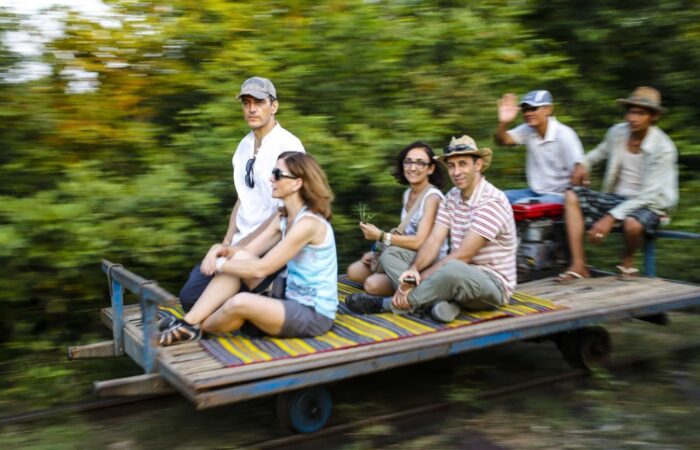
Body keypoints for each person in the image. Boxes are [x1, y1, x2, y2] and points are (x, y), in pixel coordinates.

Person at [160, 152, 338, 345]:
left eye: (277, 174)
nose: (271, 179)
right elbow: (246, 252)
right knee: (238, 259)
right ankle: (189, 323)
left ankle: (194, 327)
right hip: (288, 296)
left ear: (297, 183)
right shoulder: (284, 217)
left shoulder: (309, 224)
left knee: (240, 302)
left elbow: (261, 269)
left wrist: (218, 264)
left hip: (313, 314)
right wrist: (218, 250)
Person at [346, 135, 517, 323]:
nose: (456, 171)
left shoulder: (491, 202)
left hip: (491, 283)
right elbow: (434, 241)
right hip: (453, 277)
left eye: (463, 164)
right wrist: (413, 271)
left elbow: (463, 255)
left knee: (453, 268)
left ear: (478, 165)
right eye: (451, 166)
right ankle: (439, 304)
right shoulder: (452, 197)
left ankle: (387, 305)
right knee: (391, 254)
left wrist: (419, 280)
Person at [178, 76, 305, 312]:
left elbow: (285, 211)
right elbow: (243, 198)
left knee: (198, 299)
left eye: (259, 102)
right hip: (241, 243)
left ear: (274, 106)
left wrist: (239, 248)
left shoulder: (289, 146)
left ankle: (274, 292)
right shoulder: (243, 146)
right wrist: (226, 242)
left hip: (270, 246)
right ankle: (256, 298)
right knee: (189, 295)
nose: (252, 109)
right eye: (246, 103)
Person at [559, 87, 678, 282]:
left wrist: (609, 218)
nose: (633, 118)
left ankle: (627, 260)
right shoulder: (617, 132)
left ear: (653, 117)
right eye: (630, 111)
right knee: (572, 194)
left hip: (650, 204)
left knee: (632, 223)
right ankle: (579, 265)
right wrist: (583, 164)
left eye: (640, 113)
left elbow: (648, 196)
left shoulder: (664, 148)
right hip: (617, 198)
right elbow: (599, 153)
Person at [346, 142, 448, 296]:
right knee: (354, 271)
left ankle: (418, 294)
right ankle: (397, 280)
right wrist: (375, 251)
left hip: (426, 261)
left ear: (430, 169)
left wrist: (381, 236)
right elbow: (403, 234)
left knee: (372, 285)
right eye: (408, 162)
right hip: (403, 255)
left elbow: (419, 242)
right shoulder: (407, 194)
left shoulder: (432, 198)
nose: (412, 168)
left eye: (420, 163)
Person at [495, 90, 585, 204]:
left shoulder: (565, 134)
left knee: (523, 204)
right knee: (497, 198)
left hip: (560, 195)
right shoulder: (528, 129)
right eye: (525, 110)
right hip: (535, 192)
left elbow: (580, 171)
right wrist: (503, 123)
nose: (528, 113)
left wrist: (573, 203)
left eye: (533, 108)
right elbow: (502, 141)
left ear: (548, 109)